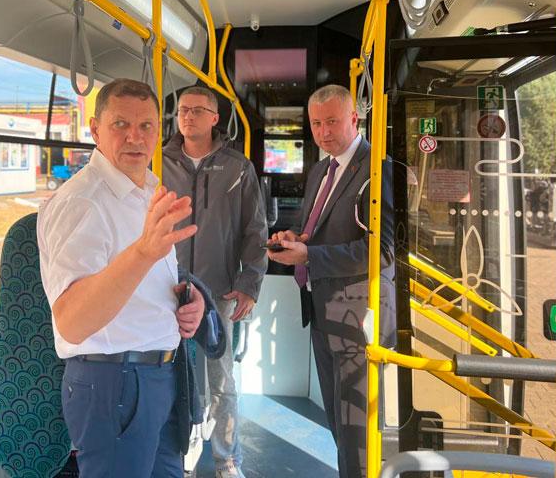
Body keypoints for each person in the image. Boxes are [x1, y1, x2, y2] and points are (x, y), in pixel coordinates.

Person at [37, 78, 206, 478]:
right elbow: (72, 321)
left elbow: (145, 280)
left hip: (159, 376)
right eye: (120, 125)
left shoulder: (147, 190)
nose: (135, 136)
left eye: (146, 125)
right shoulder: (82, 203)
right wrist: (143, 252)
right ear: (95, 130)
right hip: (113, 382)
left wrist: (189, 300)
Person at [267, 84, 395, 478]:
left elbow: (384, 251)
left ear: (354, 119)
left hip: (357, 314)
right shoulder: (320, 170)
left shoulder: (378, 169)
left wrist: (310, 256)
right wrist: (294, 239)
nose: (323, 132)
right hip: (321, 310)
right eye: (316, 123)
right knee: (339, 424)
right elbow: (315, 231)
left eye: (333, 122)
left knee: (357, 430)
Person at [163, 86, 268, 478]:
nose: (188, 116)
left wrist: (249, 283)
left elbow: (254, 230)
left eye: (197, 110)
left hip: (217, 289)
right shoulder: (159, 161)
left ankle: (227, 459)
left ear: (214, 118)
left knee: (220, 380)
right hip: (164, 288)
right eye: (182, 110)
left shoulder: (237, 168)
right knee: (168, 375)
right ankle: (178, 455)